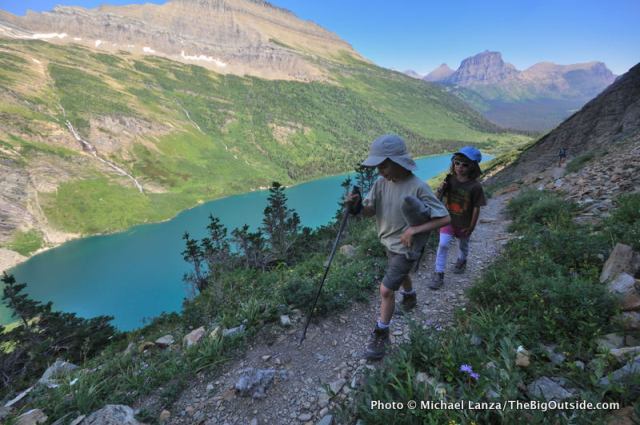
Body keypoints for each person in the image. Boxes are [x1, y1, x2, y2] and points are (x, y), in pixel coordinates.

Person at [346, 134, 450, 360]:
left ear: (397, 161)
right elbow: (369, 211)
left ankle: (381, 332)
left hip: (406, 248)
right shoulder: (380, 183)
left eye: (383, 165)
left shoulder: (418, 187)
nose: (380, 171)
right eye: (378, 166)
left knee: (385, 290)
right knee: (401, 276)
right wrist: (356, 208)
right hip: (388, 243)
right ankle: (410, 296)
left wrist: (413, 230)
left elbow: (444, 218)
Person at [430, 146, 486, 290]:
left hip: (464, 223)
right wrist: (440, 190)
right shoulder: (449, 180)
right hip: (448, 220)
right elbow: (437, 200)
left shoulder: (475, 187)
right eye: (457, 163)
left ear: (473, 166)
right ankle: (439, 273)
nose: (460, 167)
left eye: (465, 164)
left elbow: (476, 208)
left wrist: (471, 227)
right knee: (443, 245)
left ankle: (462, 260)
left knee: (463, 245)